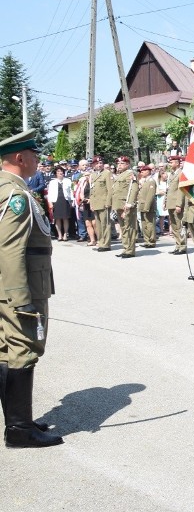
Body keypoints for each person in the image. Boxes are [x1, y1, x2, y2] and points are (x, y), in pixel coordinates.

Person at [0, 129, 65, 448]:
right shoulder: (15, 195)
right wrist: (21, 298)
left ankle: (17, 421)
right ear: (20, 158)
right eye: (35, 155)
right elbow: (10, 248)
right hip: (21, 287)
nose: (38, 160)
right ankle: (20, 429)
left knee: (6, 350)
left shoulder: (9, 188)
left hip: (8, 286)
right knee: (25, 348)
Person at [111, 156, 138, 259]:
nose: (119, 165)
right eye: (118, 164)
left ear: (127, 164)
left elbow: (133, 189)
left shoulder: (131, 174)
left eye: (122, 163)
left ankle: (130, 250)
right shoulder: (120, 175)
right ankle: (126, 248)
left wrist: (130, 203)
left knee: (129, 227)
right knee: (123, 228)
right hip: (119, 205)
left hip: (126, 204)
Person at [89, 156, 113, 252]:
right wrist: (91, 203)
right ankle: (101, 242)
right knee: (98, 225)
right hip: (96, 203)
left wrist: (108, 202)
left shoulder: (107, 173)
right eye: (97, 163)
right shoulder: (93, 175)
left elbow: (110, 189)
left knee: (105, 224)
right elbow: (92, 190)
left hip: (104, 203)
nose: (99, 165)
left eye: (100, 163)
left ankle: (106, 244)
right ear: (93, 165)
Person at [165, 155, 187, 255]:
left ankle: (182, 246)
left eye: (171, 162)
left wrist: (179, 204)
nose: (170, 164)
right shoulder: (172, 174)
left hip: (176, 203)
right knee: (174, 226)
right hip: (171, 203)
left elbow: (181, 190)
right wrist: (165, 202)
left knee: (179, 225)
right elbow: (169, 190)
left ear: (177, 163)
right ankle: (178, 245)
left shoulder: (181, 173)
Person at [46, 167, 73, 241]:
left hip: (65, 200)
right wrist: (50, 203)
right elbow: (50, 193)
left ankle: (65, 234)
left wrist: (71, 201)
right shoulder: (52, 182)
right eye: (58, 171)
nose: (60, 173)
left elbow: (71, 191)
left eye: (62, 171)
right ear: (56, 173)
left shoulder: (68, 181)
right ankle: (59, 235)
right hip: (56, 201)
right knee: (57, 218)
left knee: (65, 218)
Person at [136, 165, 158, 248]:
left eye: (143, 171)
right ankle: (147, 240)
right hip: (142, 205)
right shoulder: (144, 181)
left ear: (148, 171)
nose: (141, 173)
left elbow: (150, 195)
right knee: (144, 224)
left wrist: (147, 207)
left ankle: (151, 241)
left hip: (148, 206)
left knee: (150, 224)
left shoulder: (151, 181)